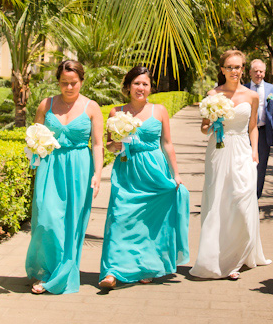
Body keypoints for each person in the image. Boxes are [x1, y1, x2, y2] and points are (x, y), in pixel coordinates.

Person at [98, 66, 190, 289]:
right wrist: (114, 145)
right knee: (120, 218)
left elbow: (167, 143)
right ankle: (112, 271)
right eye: (136, 83)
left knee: (149, 223)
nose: (141, 88)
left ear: (150, 88)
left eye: (145, 84)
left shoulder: (159, 111)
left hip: (154, 171)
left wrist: (176, 174)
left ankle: (147, 266)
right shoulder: (115, 112)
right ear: (128, 86)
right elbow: (109, 145)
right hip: (126, 171)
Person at [25, 60, 104, 294]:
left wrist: (98, 174)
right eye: (63, 83)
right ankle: (44, 271)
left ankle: (62, 271)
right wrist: (34, 158)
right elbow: (33, 135)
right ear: (57, 82)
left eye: (73, 83)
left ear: (81, 81)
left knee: (72, 221)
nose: (69, 88)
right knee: (46, 219)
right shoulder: (45, 104)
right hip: (50, 166)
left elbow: (98, 144)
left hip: (80, 168)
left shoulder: (92, 107)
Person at [190, 49, 271, 280]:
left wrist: (255, 151)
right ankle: (222, 259)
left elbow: (253, 126)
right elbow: (204, 127)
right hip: (218, 150)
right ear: (222, 69)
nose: (235, 71)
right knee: (219, 201)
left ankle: (239, 253)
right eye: (230, 67)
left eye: (238, 67)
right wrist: (213, 124)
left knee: (243, 199)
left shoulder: (252, 96)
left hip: (243, 150)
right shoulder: (213, 94)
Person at [243, 59, 273, 199]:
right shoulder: (243, 89)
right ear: (250, 72)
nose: (258, 74)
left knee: (261, 167)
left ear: (265, 73)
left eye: (261, 71)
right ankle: (244, 196)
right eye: (256, 71)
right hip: (245, 133)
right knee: (244, 165)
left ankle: (255, 197)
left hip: (264, 133)